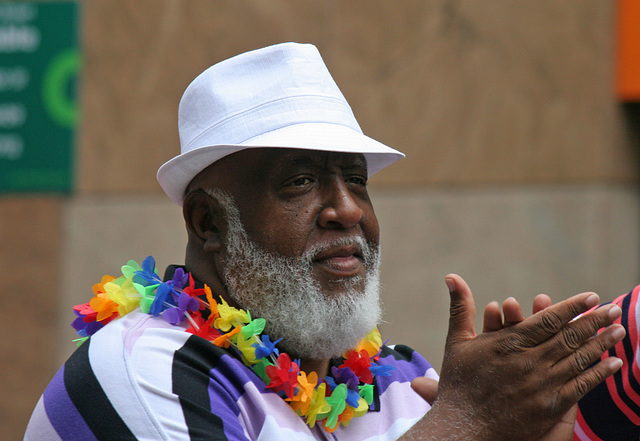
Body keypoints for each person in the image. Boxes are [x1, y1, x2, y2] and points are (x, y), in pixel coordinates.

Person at [24, 42, 632, 441]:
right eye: (300, 182)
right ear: (209, 222)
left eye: (357, 182)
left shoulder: (397, 379)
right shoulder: (137, 368)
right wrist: (466, 423)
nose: (346, 210)